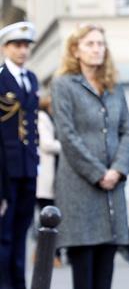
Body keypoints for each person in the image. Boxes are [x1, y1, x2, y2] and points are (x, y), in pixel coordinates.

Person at [52, 24, 129, 289]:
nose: (97, 48)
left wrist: (118, 169)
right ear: (76, 50)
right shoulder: (64, 84)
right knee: (84, 255)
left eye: (100, 43)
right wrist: (99, 173)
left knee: (106, 255)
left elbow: (127, 130)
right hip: (80, 185)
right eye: (89, 44)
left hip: (113, 185)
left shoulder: (113, 85)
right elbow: (67, 135)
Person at [0, 21, 39, 289]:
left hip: (27, 166)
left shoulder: (31, 79)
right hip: (5, 169)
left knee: (22, 229)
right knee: (4, 231)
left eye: (26, 46)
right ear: (5, 48)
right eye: (17, 45)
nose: (22, 50)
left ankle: (19, 286)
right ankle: (3, 288)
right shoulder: (1, 79)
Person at [36, 94, 63, 267]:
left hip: (55, 174)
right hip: (46, 175)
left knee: (53, 215)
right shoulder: (42, 117)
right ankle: (50, 254)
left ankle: (49, 252)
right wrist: (67, 144)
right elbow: (47, 144)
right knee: (47, 215)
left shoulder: (53, 119)